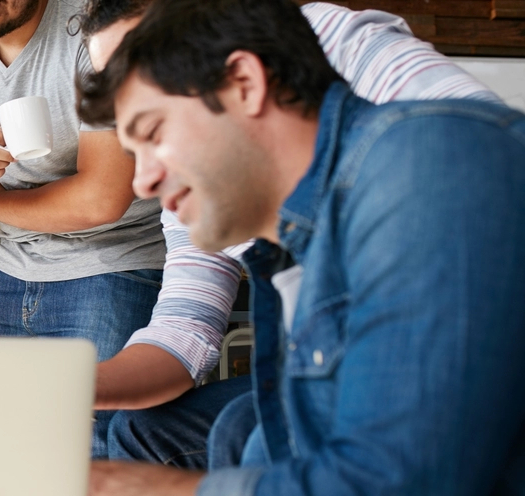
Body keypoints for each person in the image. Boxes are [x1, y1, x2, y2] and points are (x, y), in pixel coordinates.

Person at [78, 0, 525, 494]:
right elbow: (184, 328)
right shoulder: (279, 244)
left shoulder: (429, 160)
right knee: (248, 439)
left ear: (244, 82)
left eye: (154, 131)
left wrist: (127, 486)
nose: (141, 184)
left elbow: (396, 482)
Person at [0, 0, 164, 457]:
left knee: (86, 446)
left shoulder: (95, 33)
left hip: (115, 258)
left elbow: (101, 200)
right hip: (12, 262)